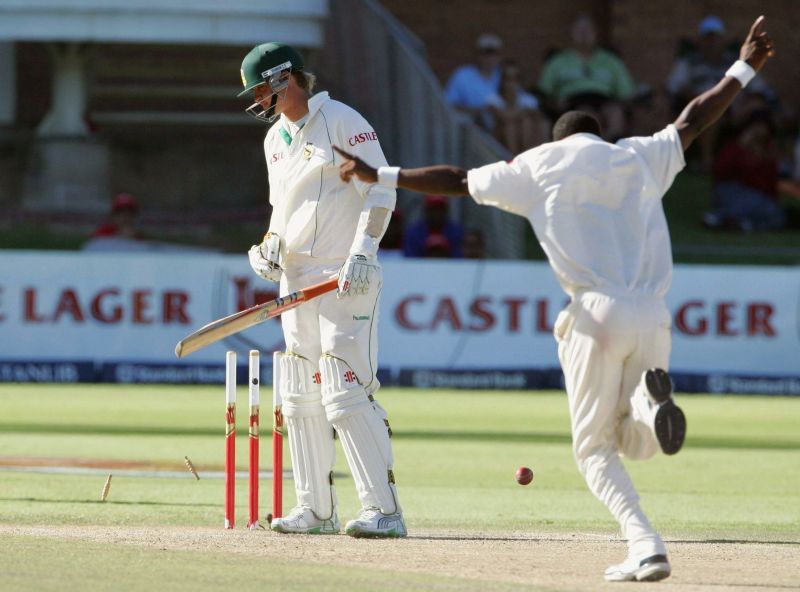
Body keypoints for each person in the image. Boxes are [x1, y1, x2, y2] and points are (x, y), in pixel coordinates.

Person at [333, 16, 774, 581]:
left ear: (559, 136)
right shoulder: (638, 156)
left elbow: (457, 178)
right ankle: (649, 402)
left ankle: (644, 541)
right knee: (633, 441)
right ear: (598, 133)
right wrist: (744, 66)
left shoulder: (539, 165)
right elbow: (694, 118)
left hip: (594, 314)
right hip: (653, 314)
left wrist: (380, 174)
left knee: (595, 451)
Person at [237, 42, 406, 538]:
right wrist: (268, 246)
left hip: (343, 275)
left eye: (258, 88)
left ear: (283, 79)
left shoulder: (340, 120)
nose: (254, 99)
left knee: (345, 388)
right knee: (298, 391)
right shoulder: (275, 138)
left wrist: (363, 252)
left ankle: (385, 511)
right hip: (296, 279)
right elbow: (281, 209)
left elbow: (380, 190)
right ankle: (316, 510)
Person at [537, 14, 636, 140]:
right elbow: (543, 93)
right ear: (570, 33)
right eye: (579, 30)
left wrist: (621, 105)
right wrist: (554, 103)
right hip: (573, 102)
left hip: (604, 99)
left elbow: (626, 93)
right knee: (587, 115)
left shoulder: (611, 61)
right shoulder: (557, 62)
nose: (584, 34)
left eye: (588, 29)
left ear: (596, 33)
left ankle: (611, 147)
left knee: (615, 113)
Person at [705, 110, 786, 232]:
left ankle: (735, 222)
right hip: (731, 191)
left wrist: (764, 158)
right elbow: (720, 172)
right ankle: (723, 218)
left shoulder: (769, 154)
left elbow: (770, 188)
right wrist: (742, 145)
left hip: (758, 199)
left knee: (774, 213)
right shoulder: (735, 147)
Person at [444, 33, 504, 130]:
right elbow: (449, 105)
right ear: (478, 55)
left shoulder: (505, 76)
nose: (490, 58)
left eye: (494, 54)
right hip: (473, 128)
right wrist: (479, 111)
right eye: (486, 54)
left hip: (502, 124)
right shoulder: (462, 75)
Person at [488, 60, 547, 153]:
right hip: (500, 139)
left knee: (528, 122)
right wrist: (522, 112)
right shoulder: (493, 99)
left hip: (526, 137)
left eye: (515, 78)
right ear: (501, 80)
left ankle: (526, 154)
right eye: (508, 78)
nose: (511, 83)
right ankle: (515, 156)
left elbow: (539, 117)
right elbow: (503, 117)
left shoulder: (528, 98)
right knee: (510, 127)